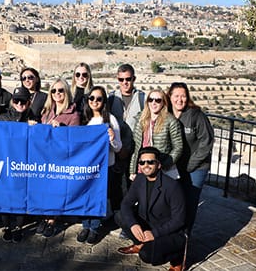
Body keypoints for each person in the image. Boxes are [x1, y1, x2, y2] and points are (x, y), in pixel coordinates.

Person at [116, 147, 186, 271]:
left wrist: (154, 234)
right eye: (142, 162)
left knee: (147, 255)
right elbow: (126, 204)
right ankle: (140, 243)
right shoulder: (140, 179)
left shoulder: (172, 186)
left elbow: (179, 220)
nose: (146, 165)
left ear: (158, 165)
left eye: (150, 162)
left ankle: (177, 260)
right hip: (148, 223)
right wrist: (133, 224)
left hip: (167, 231)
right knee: (120, 216)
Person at [168, 82, 214, 235]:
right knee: (174, 202)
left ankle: (184, 238)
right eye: (176, 96)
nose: (180, 100)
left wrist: (190, 165)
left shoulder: (196, 115)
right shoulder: (166, 113)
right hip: (175, 166)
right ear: (170, 96)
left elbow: (206, 142)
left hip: (196, 167)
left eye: (183, 96)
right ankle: (172, 235)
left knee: (189, 202)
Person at [77, 86, 122, 245]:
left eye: (99, 98)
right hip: (87, 167)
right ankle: (85, 225)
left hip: (104, 167)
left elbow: (118, 147)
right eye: (92, 98)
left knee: (97, 198)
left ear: (104, 102)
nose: (95, 101)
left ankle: (94, 228)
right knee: (85, 197)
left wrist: (111, 138)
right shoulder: (85, 119)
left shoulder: (111, 119)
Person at [38, 78, 80, 237]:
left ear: (67, 92)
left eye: (61, 90)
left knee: (56, 191)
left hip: (60, 159)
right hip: (44, 157)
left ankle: (52, 220)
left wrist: (61, 129)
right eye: (54, 91)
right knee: (45, 190)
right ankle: (45, 216)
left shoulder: (73, 114)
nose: (57, 93)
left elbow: (74, 140)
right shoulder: (47, 111)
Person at [0, 86, 38, 243]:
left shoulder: (34, 119)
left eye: (23, 101)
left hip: (24, 165)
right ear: (12, 102)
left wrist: (36, 127)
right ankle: (6, 226)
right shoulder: (2, 118)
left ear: (29, 102)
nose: (20, 103)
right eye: (16, 100)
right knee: (5, 195)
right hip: (5, 162)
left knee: (21, 196)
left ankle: (19, 227)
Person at [107, 64, 146, 218]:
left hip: (135, 151)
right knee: (115, 186)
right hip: (116, 150)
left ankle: (130, 218)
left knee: (133, 187)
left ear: (133, 79)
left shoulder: (142, 99)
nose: (125, 82)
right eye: (121, 79)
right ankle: (118, 216)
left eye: (128, 79)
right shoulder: (112, 98)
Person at [129, 89, 183, 181]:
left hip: (160, 169)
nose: (154, 103)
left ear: (163, 103)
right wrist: (132, 170)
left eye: (158, 100)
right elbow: (136, 147)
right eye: (151, 100)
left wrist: (165, 164)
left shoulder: (171, 121)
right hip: (142, 167)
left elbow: (178, 147)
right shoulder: (140, 119)